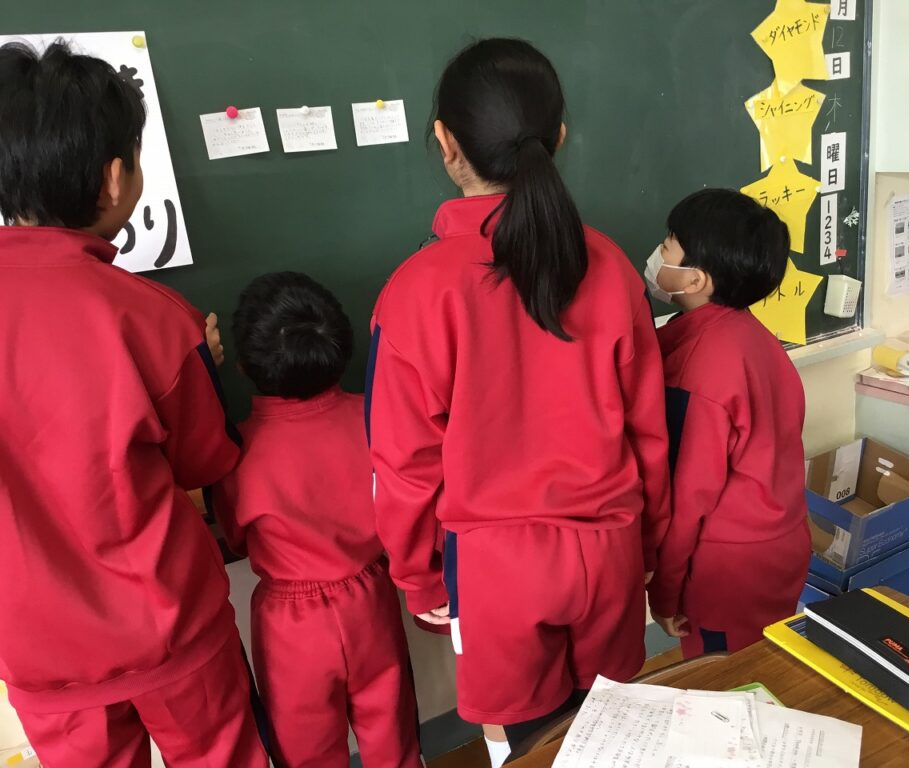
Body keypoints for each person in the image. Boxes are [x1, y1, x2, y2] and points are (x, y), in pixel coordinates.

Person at [365, 37, 670, 763]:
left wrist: (419, 576)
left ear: (446, 143)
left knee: (522, 747)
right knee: (613, 737)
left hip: (494, 569)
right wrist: (647, 545)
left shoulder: (415, 291)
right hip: (609, 547)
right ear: (558, 136)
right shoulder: (609, 265)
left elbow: (402, 463)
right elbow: (649, 431)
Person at [0, 40, 266, 766]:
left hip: (39, 651)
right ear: (115, 177)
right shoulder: (155, 320)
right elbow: (204, 461)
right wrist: (202, 369)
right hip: (169, 630)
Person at [214, 272, 422, 767]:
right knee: (393, 738)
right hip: (371, 600)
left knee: (305, 751)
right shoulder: (375, 416)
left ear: (243, 365)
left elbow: (237, 540)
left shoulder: (236, 451)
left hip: (291, 624)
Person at [645, 188, 812, 658]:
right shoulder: (753, 336)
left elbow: (687, 500)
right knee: (765, 664)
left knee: (726, 683)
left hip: (727, 570)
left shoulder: (700, 366)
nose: (657, 254)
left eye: (667, 245)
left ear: (696, 278)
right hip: (780, 542)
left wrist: (664, 594)